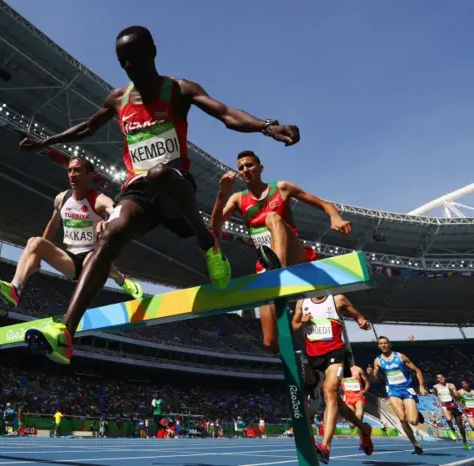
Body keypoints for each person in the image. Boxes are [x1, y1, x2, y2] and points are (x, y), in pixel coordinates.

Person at [19, 25, 300, 364]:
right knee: (110, 235)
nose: (129, 67)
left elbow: (226, 114)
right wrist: (46, 141)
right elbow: (87, 127)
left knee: (160, 172)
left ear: (152, 52)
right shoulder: (118, 99)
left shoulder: (179, 90)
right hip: (138, 193)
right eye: (123, 61)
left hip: (175, 189)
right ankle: (66, 333)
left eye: (135, 58)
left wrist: (266, 127)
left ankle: (206, 241)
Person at [210, 151, 352, 351]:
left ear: (261, 168)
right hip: (266, 266)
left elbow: (324, 204)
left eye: (249, 165)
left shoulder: (282, 188)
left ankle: (278, 272)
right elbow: (215, 226)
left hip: (295, 258)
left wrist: (335, 217)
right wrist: (222, 194)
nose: (245, 170)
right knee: (270, 343)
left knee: (272, 218)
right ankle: (307, 365)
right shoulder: (237, 199)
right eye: (241, 168)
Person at [0, 157, 143, 306]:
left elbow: (117, 212)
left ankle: (121, 279)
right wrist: (37, 253)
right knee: (34, 242)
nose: (72, 175)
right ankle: (15, 290)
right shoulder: (61, 199)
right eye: (69, 171)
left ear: (90, 176)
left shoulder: (99, 200)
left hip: (92, 255)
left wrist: (107, 222)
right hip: (70, 259)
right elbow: (53, 225)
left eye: (77, 171)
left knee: (94, 257)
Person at [292, 294, 373, 464]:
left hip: (335, 352)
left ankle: (326, 446)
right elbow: (294, 326)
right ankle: (364, 428)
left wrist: (362, 322)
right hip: (313, 356)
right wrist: (303, 322)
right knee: (337, 403)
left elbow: (358, 316)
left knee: (329, 392)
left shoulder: (338, 300)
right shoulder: (302, 303)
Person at [372, 336, 427, 455]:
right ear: (378, 346)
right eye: (380, 344)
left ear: (389, 344)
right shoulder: (377, 360)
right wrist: (373, 373)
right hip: (393, 391)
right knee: (402, 418)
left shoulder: (400, 356)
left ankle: (417, 415)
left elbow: (417, 370)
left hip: (407, 389)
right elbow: (376, 374)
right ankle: (416, 445)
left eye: (385, 343)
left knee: (413, 421)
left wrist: (421, 386)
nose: (383, 345)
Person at [433, 374, 470, 448]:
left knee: (460, 426)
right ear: (437, 379)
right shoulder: (435, 387)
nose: (440, 379)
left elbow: (456, 396)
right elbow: (435, 395)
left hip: (454, 405)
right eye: (438, 378)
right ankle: (452, 429)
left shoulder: (451, 385)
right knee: (448, 419)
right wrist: (437, 401)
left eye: (442, 377)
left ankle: (465, 440)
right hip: (445, 405)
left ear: (445, 378)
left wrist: (452, 391)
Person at [342, 363, 370, 429]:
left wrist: (365, 390)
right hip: (347, 398)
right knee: (352, 425)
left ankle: (363, 435)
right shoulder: (340, 370)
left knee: (359, 417)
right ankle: (345, 416)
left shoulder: (359, 369)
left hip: (358, 397)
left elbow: (367, 382)